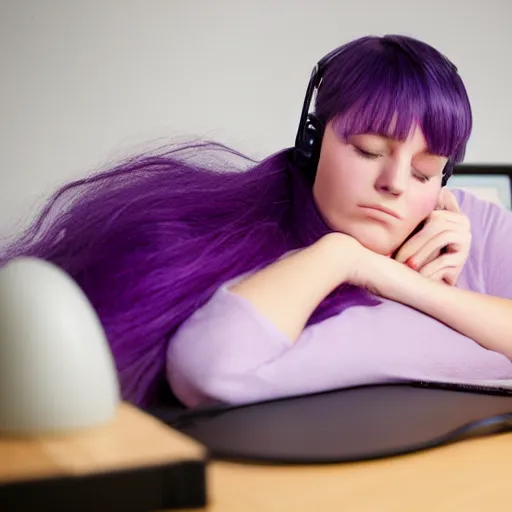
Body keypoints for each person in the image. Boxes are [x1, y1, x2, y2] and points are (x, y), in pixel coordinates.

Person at [2, 34, 512, 409]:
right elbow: (212, 370)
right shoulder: (251, 257)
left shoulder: (471, 227)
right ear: (312, 143)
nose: (396, 183)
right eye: (368, 149)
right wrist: (340, 257)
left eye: (424, 173)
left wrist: (408, 285)